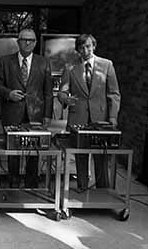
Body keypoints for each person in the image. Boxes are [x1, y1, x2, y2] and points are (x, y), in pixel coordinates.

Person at [58, 34, 121, 190]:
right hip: (78, 118)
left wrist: (113, 117)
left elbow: (114, 93)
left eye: (88, 46)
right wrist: (65, 99)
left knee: (101, 156)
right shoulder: (70, 67)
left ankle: (103, 191)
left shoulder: (107, 65)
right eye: (81, 47)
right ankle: (82, 187)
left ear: (94, 46)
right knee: (81, 156)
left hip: (101, 119)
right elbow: (62, 91)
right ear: (78, 49)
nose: (85, 50)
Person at [0, 28, 53, 188]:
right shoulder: (5, 61)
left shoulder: (44, 62)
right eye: (24, 39)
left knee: (34, 152)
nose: (27, 43)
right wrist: (8, 93)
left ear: (35, 43)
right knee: (13, 152)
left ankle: (31, 186)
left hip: (35, 114)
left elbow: (48, 92)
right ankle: (13, 185)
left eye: (31, 40)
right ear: (18, 42)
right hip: (11, 112)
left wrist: (47, 116)